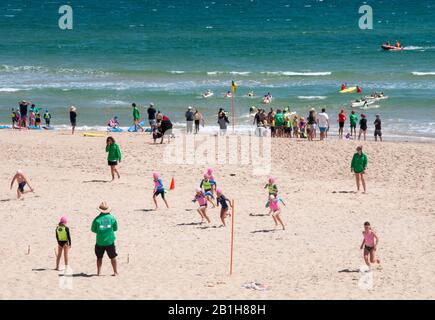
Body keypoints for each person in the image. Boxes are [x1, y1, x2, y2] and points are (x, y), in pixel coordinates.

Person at [91, 202, 119, 276]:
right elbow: (115, 228)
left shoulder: (96, 219)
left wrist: (101, 231)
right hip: (110, 241)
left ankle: (99, 272)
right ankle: (115, 271)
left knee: (99, 257)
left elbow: (93, 230)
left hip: (100, 241)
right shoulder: (112, 218)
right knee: (113, 257)